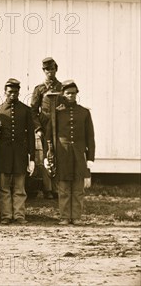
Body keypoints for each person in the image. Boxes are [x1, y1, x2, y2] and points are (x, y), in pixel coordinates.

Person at [45, 80, 95, 226]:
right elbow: (49, 135)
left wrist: (90, 157)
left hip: (79, 154)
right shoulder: (57, 114)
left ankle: (77, 217)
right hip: (62, 153)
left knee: (78, 188)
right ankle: (65, 217)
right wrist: (49, 154)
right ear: (63, 94)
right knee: (64, 187)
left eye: (73, 93)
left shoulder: (84, 112)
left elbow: (90, 136)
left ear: (76, 94)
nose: (71, 96)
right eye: (68, 93)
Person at [0, 78, 36, 225]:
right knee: (4, 187)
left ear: (19, 92)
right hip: (3, 154)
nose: (13, 94)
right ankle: (6, 215)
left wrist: (32, 158)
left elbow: (30, 135)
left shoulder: (26, 110)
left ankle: (19, 215)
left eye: (15, 92)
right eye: (10, 92)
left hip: (20, 154)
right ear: (5, 92)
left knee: (19, 187)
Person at [31, 57, 62, 199]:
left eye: (52, 68)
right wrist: (38, 128)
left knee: (59, 155)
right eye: (47, 69)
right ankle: (47, 189)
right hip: (45, 127)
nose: (50, 71)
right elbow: (33, 110)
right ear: (44, 71)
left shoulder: (62, 88)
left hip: (60, 127)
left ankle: (57, 188)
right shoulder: (39, 89)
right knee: (46, 156)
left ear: (56, 69)